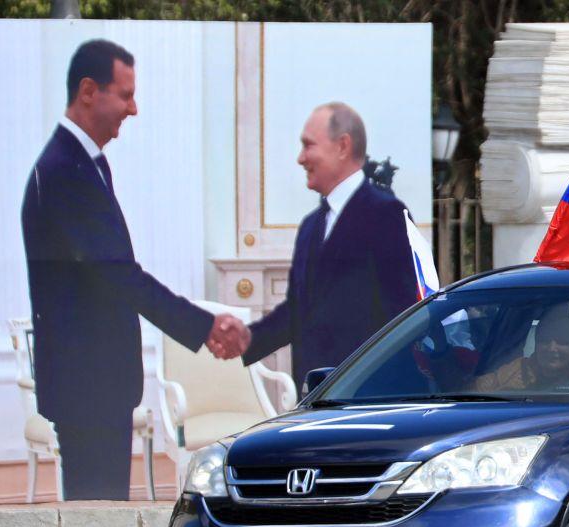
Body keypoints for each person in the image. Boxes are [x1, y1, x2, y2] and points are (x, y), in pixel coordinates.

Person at [21, 39, 250, 500]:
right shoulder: (67, 169)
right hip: (86, 386)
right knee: (97, 525)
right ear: (89, 91)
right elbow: (119, 274)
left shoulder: (84, 164)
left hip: (93, 383)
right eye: (125, 95)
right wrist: (203, 325)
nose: (134, 108)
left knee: (100, 516)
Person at [242, 102, 419, 389]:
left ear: (342, 146)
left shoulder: (386, 215)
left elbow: (404, 315)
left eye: (308, 146)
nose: (301, 158)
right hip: (314, 400)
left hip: (367, 402)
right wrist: (244, 341)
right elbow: (298, 312)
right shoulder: (310, 227)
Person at [474, 310, 569, 391]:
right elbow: (475, 392)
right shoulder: (515, 369)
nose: (551, 348)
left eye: (561, 342)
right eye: (544, 341)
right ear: (536, 345)